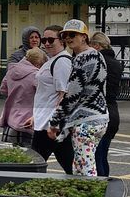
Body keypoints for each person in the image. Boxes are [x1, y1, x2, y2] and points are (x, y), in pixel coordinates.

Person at [47, 20, 108, 177]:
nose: (68, 38)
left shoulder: (82, 58)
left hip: (86, 121)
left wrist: (55, 122)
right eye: (64, 35)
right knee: (81, 163)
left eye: (72, 34)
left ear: (84, 37)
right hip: (100, 118)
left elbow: (72, 96)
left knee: (85, 167)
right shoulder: (98, 55)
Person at [25, 25, 74, 172]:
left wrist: (55, 123)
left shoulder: (62, 62)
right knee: (68, 162)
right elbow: (46, 94)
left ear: (62, 41)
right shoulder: (53, 60)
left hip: (50, 124)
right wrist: (35, 116)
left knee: (34, 164)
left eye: (51, 39)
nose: (46, 43)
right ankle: (86, 187)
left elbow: (64, 94)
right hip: (44, 121)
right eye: (44, 39)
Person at [90, 32, 122, 178]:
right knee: (102, 155)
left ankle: (101, 189)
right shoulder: (116, 63)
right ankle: (106, 187)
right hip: (113, 111)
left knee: (96, 157)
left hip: (99, 112)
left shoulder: (98, 62)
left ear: (97, 45)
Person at [0, 48, 47, 145]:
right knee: (31, 154)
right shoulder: (35, 75)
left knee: (15, 154)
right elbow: (44, 94)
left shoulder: (11, 71)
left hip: (11, 120)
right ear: (38, 63)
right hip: (28, 121)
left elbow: (3, 90)